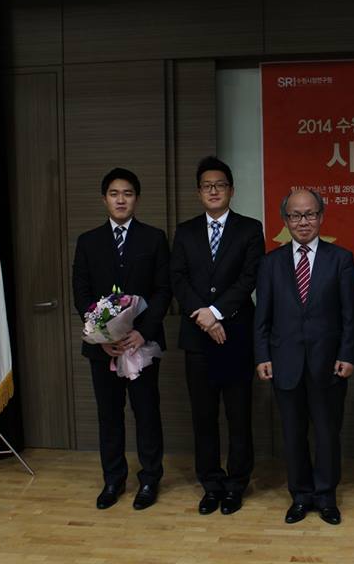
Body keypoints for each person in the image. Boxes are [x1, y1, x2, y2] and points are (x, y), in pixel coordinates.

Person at [254, 189, 354, 525]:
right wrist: (262, 356)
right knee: (293, 433)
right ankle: (300, 495)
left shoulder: (340, 259)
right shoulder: (270, 263)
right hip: (284, 362)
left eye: (310, 214)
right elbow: (263, 318)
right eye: (296, 216)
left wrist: (347, 353)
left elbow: (350, 315)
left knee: (328, 433)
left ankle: (326, 496)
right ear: (285, 221)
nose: (304, 222)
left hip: (329, 362)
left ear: (321, 216)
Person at [71, 167, 171, 510]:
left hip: (141, 345)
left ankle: (149, 480)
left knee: (146, 413)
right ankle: (113, 480)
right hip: (104, 349)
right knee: (109, 415)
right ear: (104, 199)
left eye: (127, 193)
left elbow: (163, 291)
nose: (121, 200)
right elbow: (81, 292)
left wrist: (143, 332)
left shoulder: (154, 238)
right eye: (114, 194)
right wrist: (101, 337)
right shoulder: (88, 241)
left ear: (137, 199)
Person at [170, 156, 265, 516]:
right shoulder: (185, 231)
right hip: (198, 339)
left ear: (231, 191)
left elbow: (249, 278)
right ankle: (211, 483)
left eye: (220, 185)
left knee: (239, 416)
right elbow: (177, 277)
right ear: (199, 192)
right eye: (207, 186)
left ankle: (236, 484)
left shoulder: (249, 229)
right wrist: (204, 317)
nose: (214, 191)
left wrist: (219, 312)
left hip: (237, 336)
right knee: (204, 417)